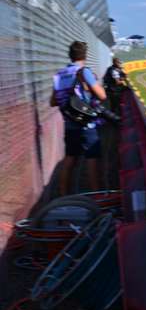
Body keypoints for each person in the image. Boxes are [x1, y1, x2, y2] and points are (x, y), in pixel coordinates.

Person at [50, 41, 107, 195]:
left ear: (70, 55)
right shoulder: (83, 72)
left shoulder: (59, 74)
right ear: (84, 55)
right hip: (86, 122)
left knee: (70, 159)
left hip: (69, 122)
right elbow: (102, 96)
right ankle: (97, 195)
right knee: (92, 158)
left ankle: (63, 195)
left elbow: (53, 101)